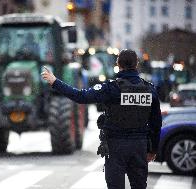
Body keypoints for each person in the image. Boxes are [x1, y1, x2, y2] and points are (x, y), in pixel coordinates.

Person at [41, 49, 162, 189]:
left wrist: (55, 82)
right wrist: (152, 149)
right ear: (137, 64)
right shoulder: (150, 90)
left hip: (116, 147)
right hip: (140, 146)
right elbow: (156, 123)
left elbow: (80, 96)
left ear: (118, 64)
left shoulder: (111, 88)